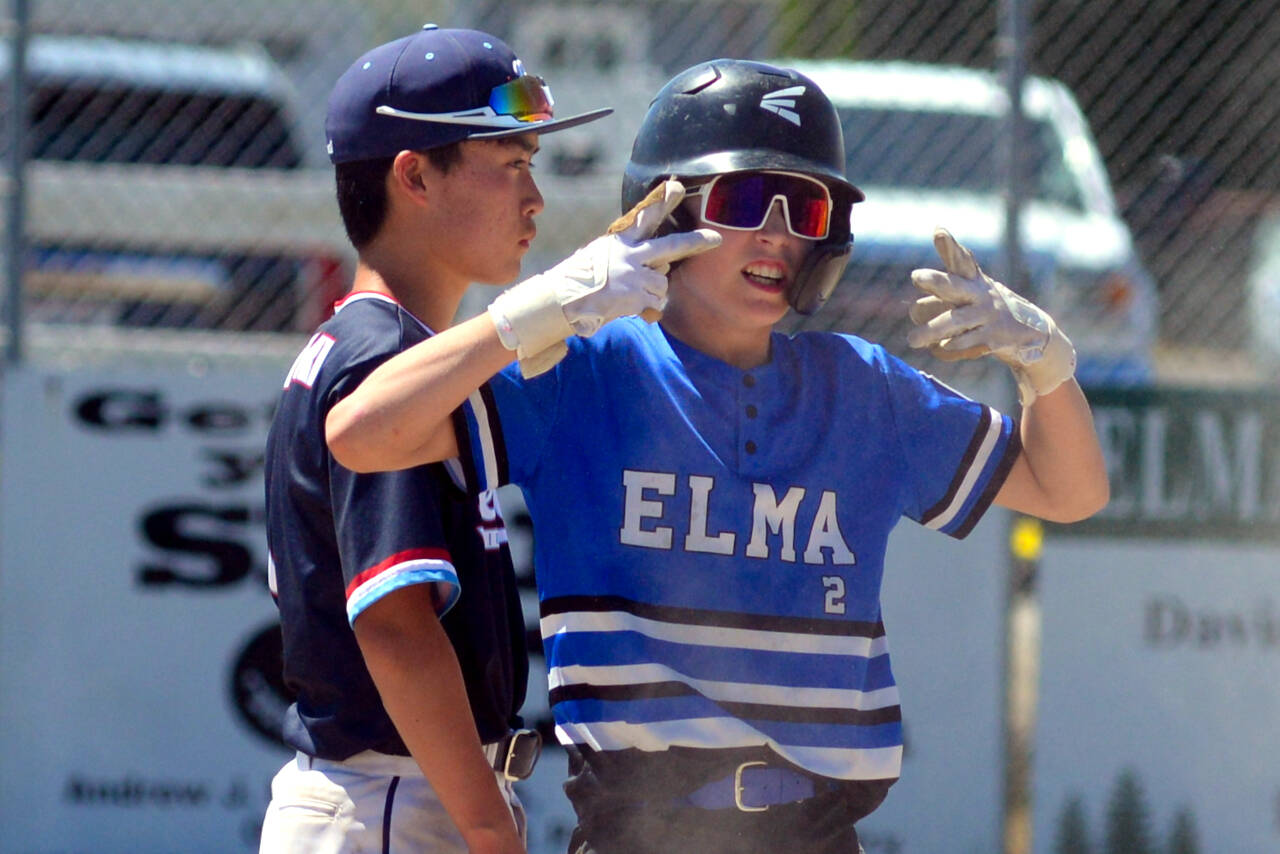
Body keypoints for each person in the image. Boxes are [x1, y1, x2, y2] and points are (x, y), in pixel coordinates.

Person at [323, 59, 1109, 854]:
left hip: (819, 837)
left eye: (804, 207)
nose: (775, 233)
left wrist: (1047, 364)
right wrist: (535, 311)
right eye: (739, 200)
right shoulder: (583, 373)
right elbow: (362, 433)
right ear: (662, 213)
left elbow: (1068, 491)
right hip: (639, 830)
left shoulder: (866, 390)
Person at [258, 24, 709, 854]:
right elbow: (394, 625)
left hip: (393, 791)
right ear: (414, 174)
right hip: (394, 798)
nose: (533, 196)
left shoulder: (392, 348)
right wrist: (482, 819)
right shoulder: (383, 356)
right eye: (508, 165)